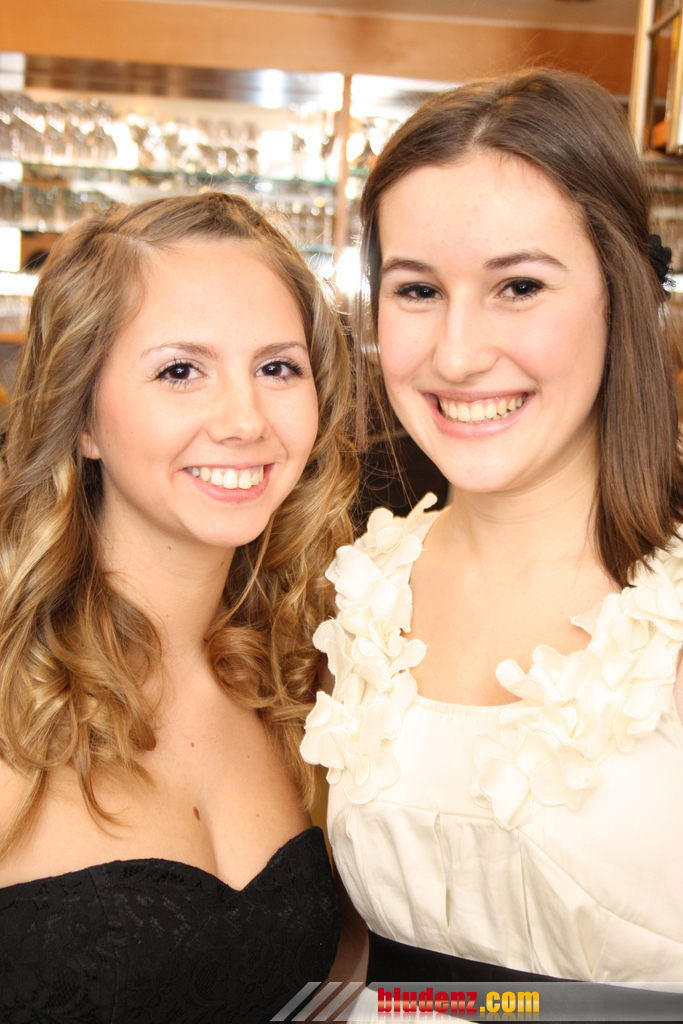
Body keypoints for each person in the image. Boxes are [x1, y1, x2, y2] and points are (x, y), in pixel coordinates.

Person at [302, 69, 683, 986]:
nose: (458, 354)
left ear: (620, 291)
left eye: (517, 285)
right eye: (417, 291)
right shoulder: (350, 588)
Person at [0, 191, 356, 1021]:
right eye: (180, 371)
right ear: (82, 419)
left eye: (277, 368)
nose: (244, 420)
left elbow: (339, 989)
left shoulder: (310, 676)